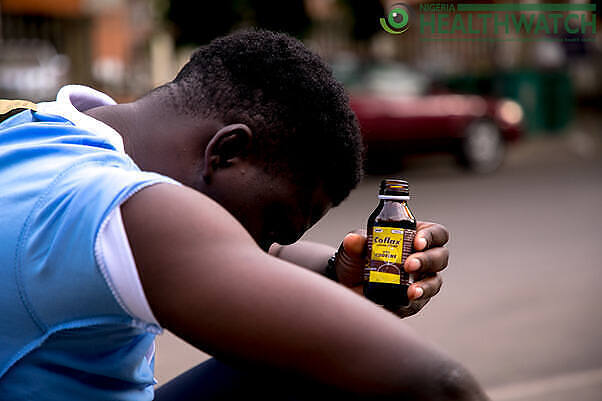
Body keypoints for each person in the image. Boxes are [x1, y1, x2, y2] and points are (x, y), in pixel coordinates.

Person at [0, 30, 487, 400]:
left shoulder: (39, 131)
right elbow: (439, 385)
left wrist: (340, 272)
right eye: (269, 225)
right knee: (336, 364)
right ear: (227, 151)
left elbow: (248, 257)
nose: (259, 252)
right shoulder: (121, 205)